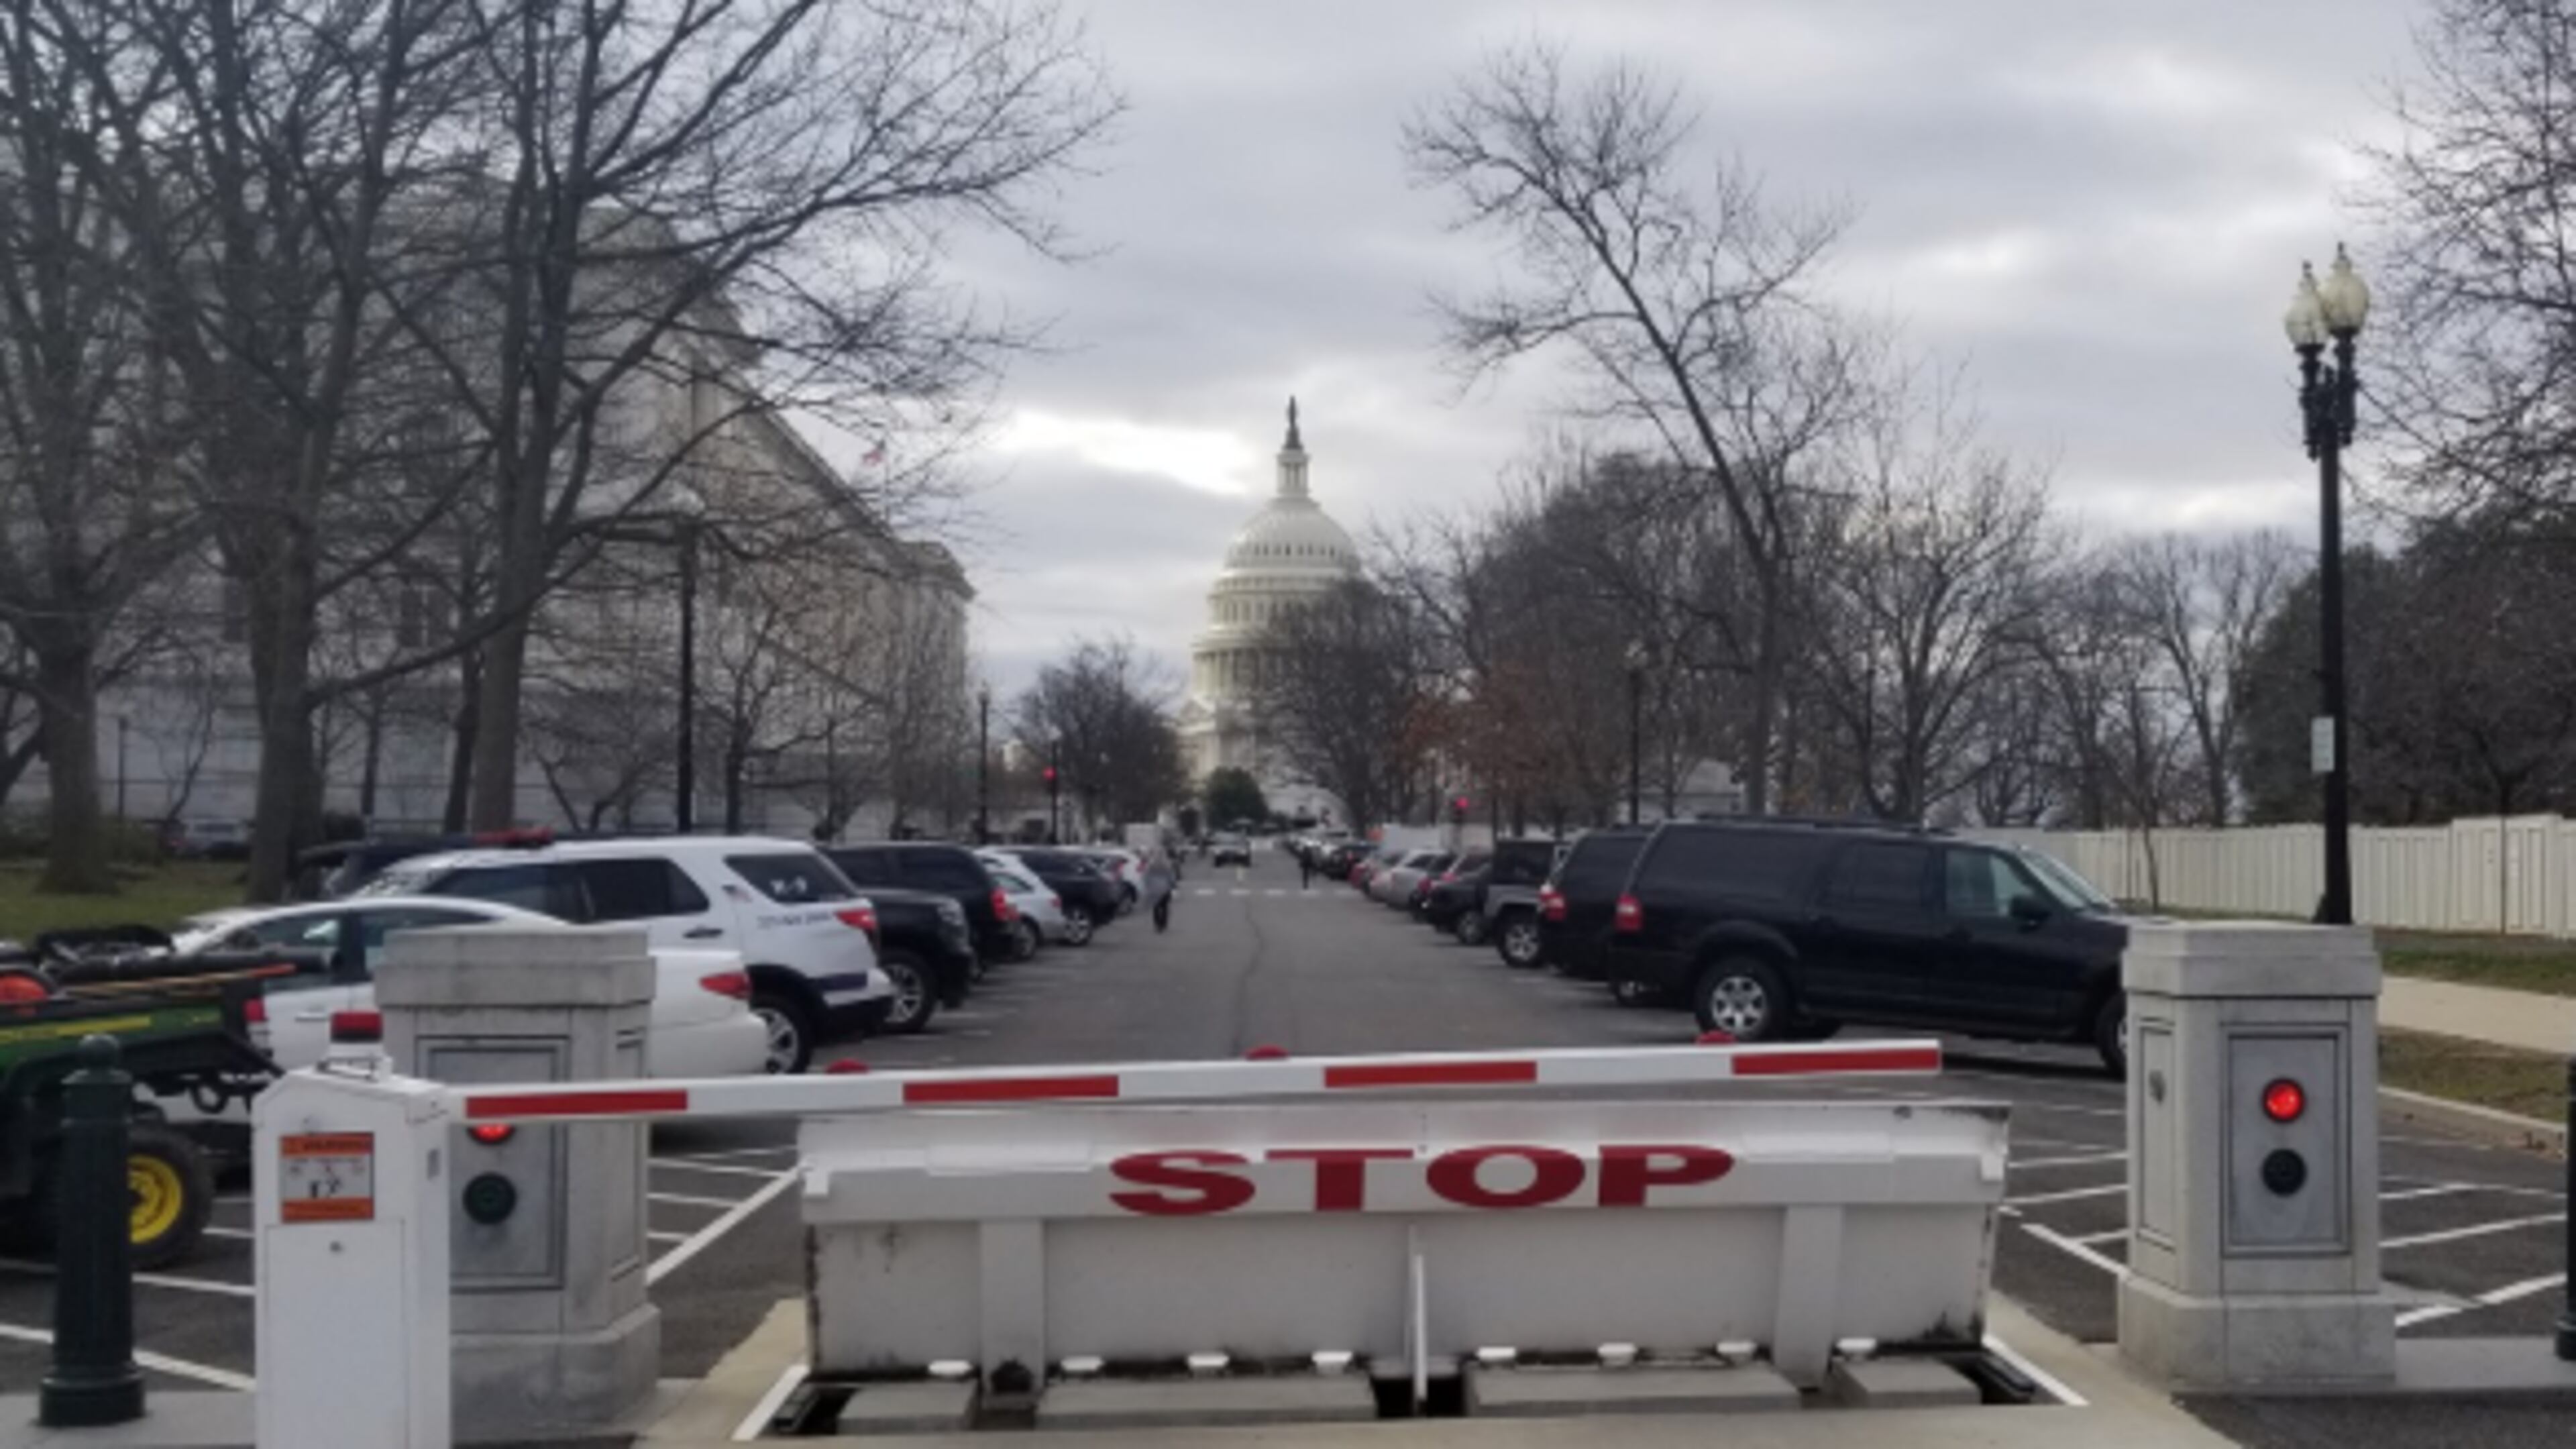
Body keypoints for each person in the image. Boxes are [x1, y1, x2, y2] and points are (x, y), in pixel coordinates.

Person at [1145, 847, 1177, 933]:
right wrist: (1173, 885)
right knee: (1164, 907)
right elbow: (1171, 876)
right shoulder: (1167, 864)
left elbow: (1147, 877)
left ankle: (1157, 925)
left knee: (1156, 908)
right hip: (1165, 888)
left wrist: (1148, 886)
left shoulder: (1151, 864)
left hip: (1154, 889)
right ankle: (1163, 924)